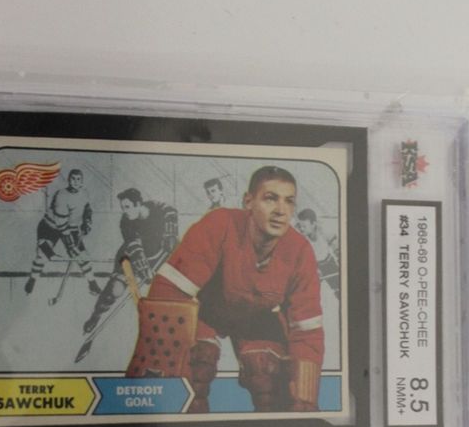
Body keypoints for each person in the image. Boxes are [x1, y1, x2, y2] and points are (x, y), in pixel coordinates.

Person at [126, 166, 324, 413]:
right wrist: (162, 372)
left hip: (256, 316)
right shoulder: (218, 224)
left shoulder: (300, 250)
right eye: (270, 198)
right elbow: (169, 294)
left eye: (289, 201)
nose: (280, 210)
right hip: (205, 310)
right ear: (248, 201)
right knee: (192, 376)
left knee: (270, 380)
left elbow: (307, 332)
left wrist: (304, 400)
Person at [82, 188, 178, 335]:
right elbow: (136, 249)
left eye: (127, 207)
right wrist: (145, 271)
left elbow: (170, 211)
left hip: (158, 255)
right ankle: (96, 316)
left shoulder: (155, 207)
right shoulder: (126, 222)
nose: (125, 211)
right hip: (130, 258)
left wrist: (171, 234)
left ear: (138, 204)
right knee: (114, 291)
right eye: (122, 207)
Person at [24, 168, 99, 295]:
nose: (76, 182)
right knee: (42, 255)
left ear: (82, 181)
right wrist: (70, 245)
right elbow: (61, 224)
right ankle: (32, 279)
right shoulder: (61, 196)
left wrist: (87, 222)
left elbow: (87, 209)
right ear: (69, 180)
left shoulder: (84, 193)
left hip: (71, 228)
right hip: (50, 227)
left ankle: (92, 284)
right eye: (73, 179)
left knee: (82, 256)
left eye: (78, 179)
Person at [295, 208, 341, 299]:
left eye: (304, 226)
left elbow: (337, 250)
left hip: (328, 263)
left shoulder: (324, 232)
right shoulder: (301, 238)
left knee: (338, 289)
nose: (302, 229)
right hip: (315, 265)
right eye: (300, 226)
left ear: (313, 224)